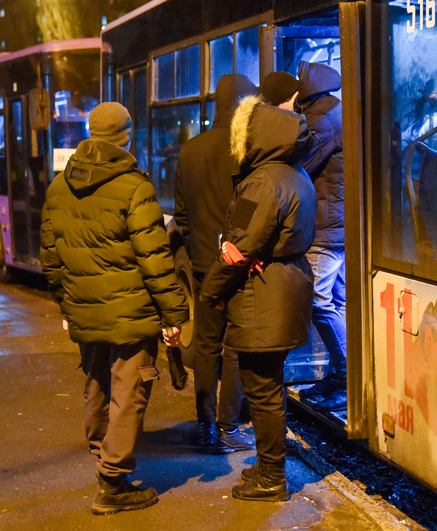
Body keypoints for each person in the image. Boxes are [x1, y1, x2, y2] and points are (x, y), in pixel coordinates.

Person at [40, 102, 189, 515]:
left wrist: (65, 303)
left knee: (97, 383)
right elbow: (155, 260)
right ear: (127, 135)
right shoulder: (135, 188)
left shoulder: (58, 187)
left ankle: (101, 456)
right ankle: (112, 483)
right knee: (131, 391)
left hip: (85, 310)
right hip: (131, 314)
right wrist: (175, 316)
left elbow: (50, 257)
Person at [200, 94, 317, 502]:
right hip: (286, 288)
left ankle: (271, 477)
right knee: (270, 386)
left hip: (263, 296)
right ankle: (269, 470)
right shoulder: (294, 173)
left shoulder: (262, 181)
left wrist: (210, 293)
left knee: (263, 391)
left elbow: (238, 247)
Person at [174, 74, 257, 453]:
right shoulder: (247, 149)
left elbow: (182, 215)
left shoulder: (190, 150)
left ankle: (206, 426)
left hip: (204, 264)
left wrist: (198, 250)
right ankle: (229, 428)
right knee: (237, 345)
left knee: (206, 345)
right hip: (239, 265)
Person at [261, 65, 347, 411]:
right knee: (336, 304)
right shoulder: (333, 108)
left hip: (326, 228)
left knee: (319, 302)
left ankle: (345, 378)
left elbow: (298, 165)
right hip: (339, 224)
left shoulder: (319, 119)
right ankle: (338, 375)